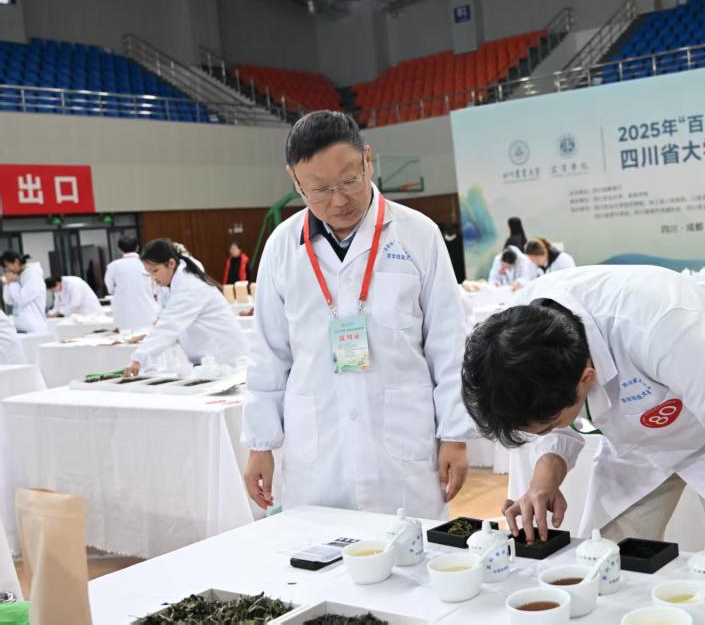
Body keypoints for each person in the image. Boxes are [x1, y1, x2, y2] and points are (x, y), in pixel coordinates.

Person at [462, 265, 705, 560]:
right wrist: (544, 481)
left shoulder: (661, 329)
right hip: (636, 441)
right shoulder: (517, 333)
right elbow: (552, 410)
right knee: (601, 558)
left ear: (586, 379)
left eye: (547, 425)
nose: (544, 432)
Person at [242, 110, 472, 520]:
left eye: (349, 180)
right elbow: (268, 353)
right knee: (318, 547)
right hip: (318, 449)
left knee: (410, 547)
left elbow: (448, 343)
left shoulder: (418, 234)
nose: (338, 200)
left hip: (402, 446)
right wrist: (261, 444)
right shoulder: (281, 246)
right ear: (295, 182)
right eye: (319, 189)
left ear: (368, 160)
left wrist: (454, 434)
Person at [123, 239, 246, 376]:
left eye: (155, 271)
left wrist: (138, 359)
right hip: (208, 361)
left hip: (224, 360)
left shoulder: (190, 286)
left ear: (171, 263)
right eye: (149, 273)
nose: (153, 277)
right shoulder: (172, 284)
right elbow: (166, 322)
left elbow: (170, 325)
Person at [104, 234, 159, 331]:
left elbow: (110, 289)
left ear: (120, 249)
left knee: (125, 336)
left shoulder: (113, 266)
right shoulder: (148, 263)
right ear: (137, 247)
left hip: (123, 315)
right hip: (147, 313)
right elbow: (155, 289)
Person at [1, 252, 47, 334]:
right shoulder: (18, 276)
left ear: (16, 262)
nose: (6, 270)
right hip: (21, 326)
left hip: (34, 328)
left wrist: (12, 282)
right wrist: (8, 283)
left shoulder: (33, 275)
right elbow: (8, 300)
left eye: (7, 266)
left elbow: (22, 299)